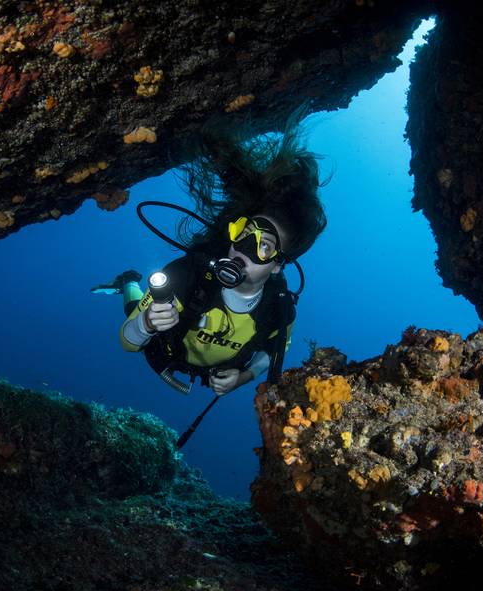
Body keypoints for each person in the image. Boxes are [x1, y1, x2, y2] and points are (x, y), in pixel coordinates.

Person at [92, 116, 327, 396]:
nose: (244, 249)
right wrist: (147, 322)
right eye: (244, 233)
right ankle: (128, 281)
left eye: (264, 247)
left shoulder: (279, 308)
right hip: (164, 349)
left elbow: (276, 348)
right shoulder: (187, 275)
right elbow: (128, 341)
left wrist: (246, 375)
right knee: (134, 307)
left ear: (278, 265)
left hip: (204, 369)